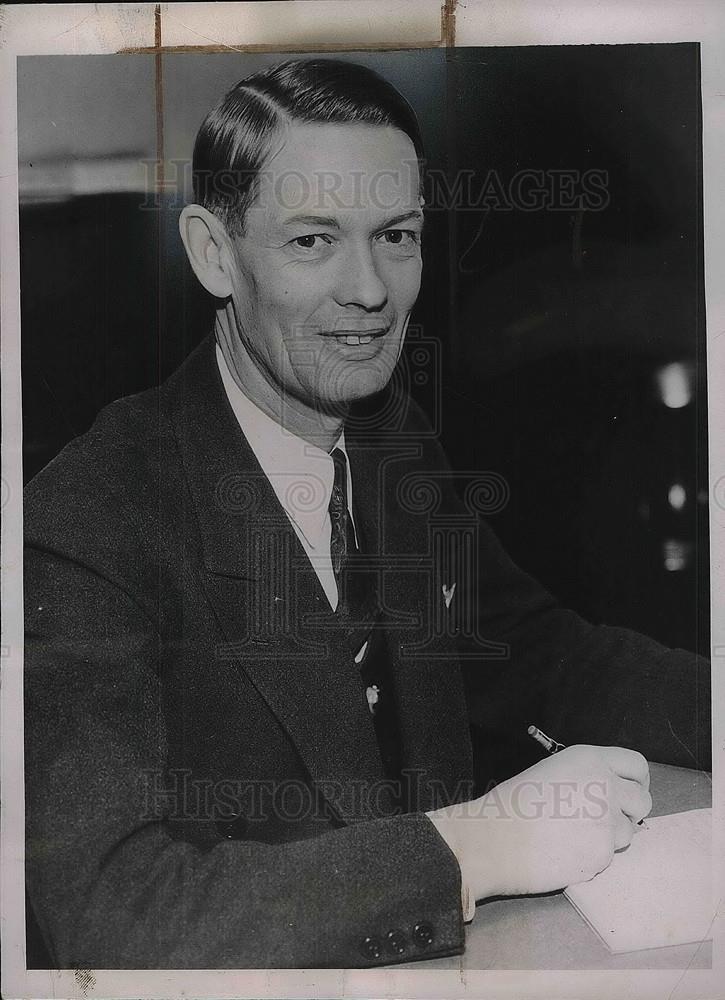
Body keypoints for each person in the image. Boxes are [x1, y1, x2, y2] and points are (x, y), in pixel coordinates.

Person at [23, 57, 710, 969]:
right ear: (211, 252)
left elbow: (542, 658)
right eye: (313, 241)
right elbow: (110, 907)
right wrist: (473, 848)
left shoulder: (386, 435)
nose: (372, 291)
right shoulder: (90, 518)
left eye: (396, 235)